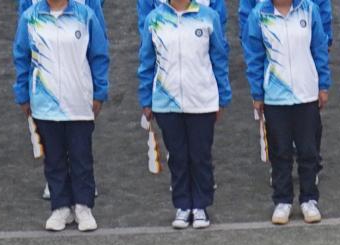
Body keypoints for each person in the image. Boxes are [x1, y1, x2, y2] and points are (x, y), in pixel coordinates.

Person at [13, 0, 109, 229]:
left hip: (79, 101)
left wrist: (100, 92)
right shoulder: (29, 18)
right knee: (54, 159)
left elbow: (99, 55)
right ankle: (60, 207)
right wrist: (23, 94)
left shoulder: (85, 15)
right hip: (45, 103)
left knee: (81, 157)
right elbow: (21, 57)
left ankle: (83, 207)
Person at [139, 0, 232, 225]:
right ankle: (182, 205)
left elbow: (219, 58)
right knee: (178, 156)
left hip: (202, 100)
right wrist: (146, 99)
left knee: (200, 155)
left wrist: (222, 96)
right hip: (166, 101)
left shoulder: (209, 17)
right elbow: (146, 61)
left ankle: (200, 206)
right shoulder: (154, 19)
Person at [245, 0, 330, 223]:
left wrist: (323, 85)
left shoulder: (309, 10)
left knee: (308, 150)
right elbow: (254, 57)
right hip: (275, 97)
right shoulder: (258, 16)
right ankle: (282, 200)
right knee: (280, 151)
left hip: (306, 94)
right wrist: (257, 93)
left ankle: (309, 199)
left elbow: (319, 48)